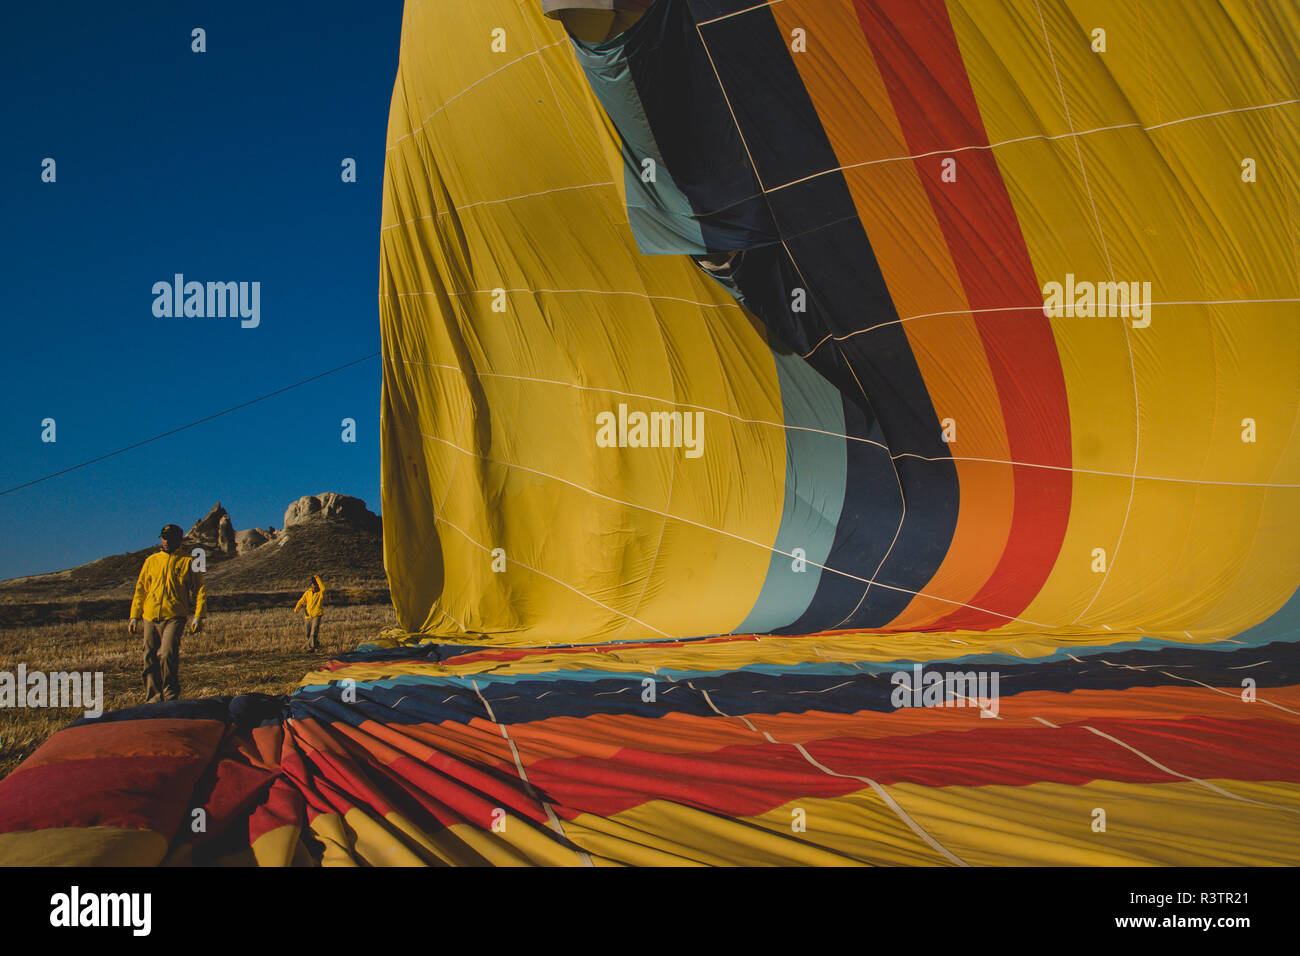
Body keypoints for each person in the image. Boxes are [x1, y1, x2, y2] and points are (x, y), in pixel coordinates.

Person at [129, 524, 206, 702]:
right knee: (149, 657)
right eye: (163, 537)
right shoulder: (151, 561)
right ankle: (152, 699)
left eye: (170, 538)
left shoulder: (189, 562)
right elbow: (140, 589)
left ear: (179, 540)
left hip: (175, 615)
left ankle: (171, 697)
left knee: (167, 654)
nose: (166, 541)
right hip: (150, 615)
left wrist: (198, 616)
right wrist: (134, 615)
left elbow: (199, 589)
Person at [293, 574, 327, 651]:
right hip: (308, 616)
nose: (314, 587)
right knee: (308, 634)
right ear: (311, 586)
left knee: (313, 632)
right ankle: (316, 645)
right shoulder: (307, 593)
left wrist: (317, 578)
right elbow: (301, 601)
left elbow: (323, 588)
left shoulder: (321, 593)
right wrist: (297, 608)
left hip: (317, 615)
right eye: (313, 586)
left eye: (316, 586)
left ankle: (309, 648)